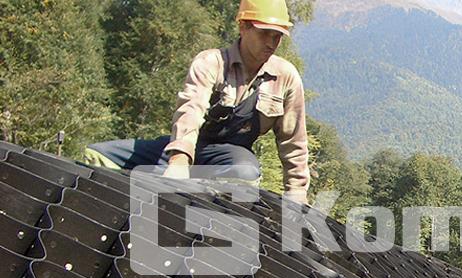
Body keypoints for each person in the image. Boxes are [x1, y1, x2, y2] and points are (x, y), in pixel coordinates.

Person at [84, 0, 309, 204]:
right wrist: (179, 161)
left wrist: (297, 195)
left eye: (278, 36)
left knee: (245, 174)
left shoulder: (285, 78)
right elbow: (190, 110)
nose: (272, 42)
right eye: (265, 33)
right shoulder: (211, 63)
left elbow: (294, 144)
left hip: (227, 158)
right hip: (186, 146)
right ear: (244, 27)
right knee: (98, 157)